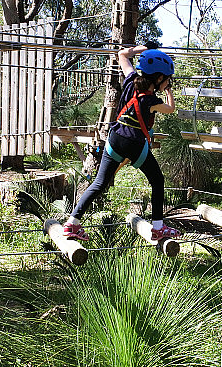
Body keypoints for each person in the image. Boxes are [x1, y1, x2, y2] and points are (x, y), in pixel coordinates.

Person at [62, 43, 181, 242]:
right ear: (159, 78)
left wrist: (143, 48)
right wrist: (168, 91)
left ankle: (72, 223)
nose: (167, 82)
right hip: (133, 143)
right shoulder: (151, 100)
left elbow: (122, 54)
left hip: (114, 137)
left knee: (99, 183)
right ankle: (158, 227)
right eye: (166, 79)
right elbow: (170, 109)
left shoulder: (130, 80)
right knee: (157, 180)